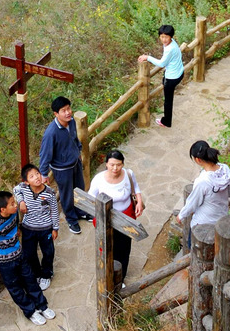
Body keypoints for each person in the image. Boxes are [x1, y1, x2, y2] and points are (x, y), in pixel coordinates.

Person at [0, 191, 54, 325]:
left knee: (30, 280)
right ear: (3, 209)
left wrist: (17, 229)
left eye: (15, 202)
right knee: (15, 288)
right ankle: (31, 311)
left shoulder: (13, 214)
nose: (16, 205)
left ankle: (42, 305)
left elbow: (16, 223)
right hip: (5, 262)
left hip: (20, 254)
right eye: (12, 204)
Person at [88, 149, 144, 282]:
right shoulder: (99, 180)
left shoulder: (128, 174)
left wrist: (139, 202)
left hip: (126, 216)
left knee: (124, 248)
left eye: (118, 164)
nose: (115, 168)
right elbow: (90, 198)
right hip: (107, 218)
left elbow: (135, 188)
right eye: (112, 164)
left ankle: (121, 277)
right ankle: (106, 274)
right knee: (107, 246)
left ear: (123, 164)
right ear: (106, 164)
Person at [38, 95, 86, 235]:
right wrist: (44, 173)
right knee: (66, 195)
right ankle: (71, 219)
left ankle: (81, 212)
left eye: (68, 108)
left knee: (79, 189)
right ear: (56, 114)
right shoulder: (51, 133)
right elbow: (45, 154)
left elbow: (74, 138)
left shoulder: (71, 122)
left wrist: (78, 150)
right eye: (63, 110)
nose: (68, 112)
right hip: (62, 168)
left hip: (75, 162)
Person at [13, 162, 59, 292]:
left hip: (45, 228)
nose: (37, 177)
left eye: (37, 174)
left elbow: (54, 211)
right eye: (32, 176)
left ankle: (46, 274)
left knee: (48, 252)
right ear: (27, 182)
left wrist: (55, 228)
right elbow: (15, 189)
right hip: (28, 228)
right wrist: (21, 201)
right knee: (29, 253)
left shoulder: (49, 192)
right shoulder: (23, 188)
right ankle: (37, 274)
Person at [177, 140, 230, 241]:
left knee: (194, 251)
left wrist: (181, 215)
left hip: (202, 225)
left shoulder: (202, 181)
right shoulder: (225, 169)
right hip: (221, 220)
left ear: (198, 160)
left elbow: (192, 203)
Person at [140, 24, 184, 127]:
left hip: (172, 77)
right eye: (162, 36)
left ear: (171, 36)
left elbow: (161, 64)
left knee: (168, 102)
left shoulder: (170, 49)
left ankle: (166, 122)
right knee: (166, 86)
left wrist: (147, 57)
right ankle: (165, 83)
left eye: (166, 37)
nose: (164, 39)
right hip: (179, 72)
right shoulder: (172, 43)